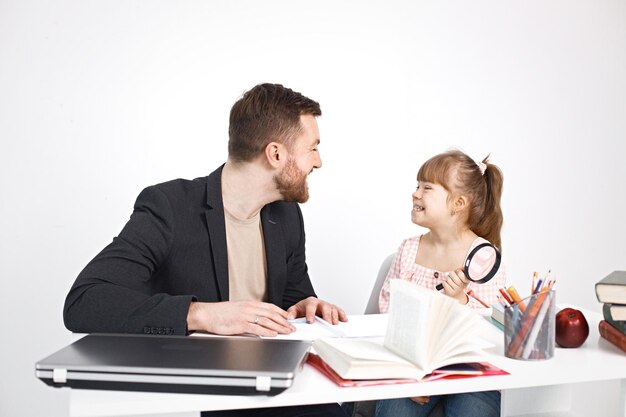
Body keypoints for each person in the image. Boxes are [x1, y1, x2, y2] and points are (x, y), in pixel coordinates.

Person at [63, 83, 349, 417]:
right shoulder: (170, 207)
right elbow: (84, 301)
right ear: (275, 154)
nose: (318, 162)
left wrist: (305, 307)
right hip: (197, 395)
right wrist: (203, 314)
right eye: (313, 148)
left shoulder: (285, 214)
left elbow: (293, 301)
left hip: (274, 387)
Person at [375, 149, 506, 417]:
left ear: (458, 203)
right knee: (395, 412)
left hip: (471, 366)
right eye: (417, 186)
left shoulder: (483, 257)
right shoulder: (409, 250)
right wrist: (409, 373)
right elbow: (390, 313)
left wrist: (461, 301)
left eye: (427, 188)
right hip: (415, 363)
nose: (415, 193)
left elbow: (493, 328)